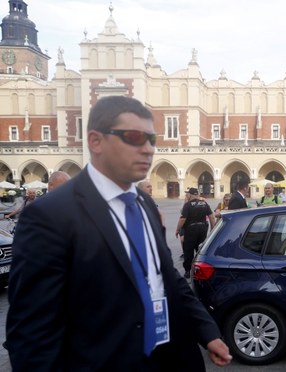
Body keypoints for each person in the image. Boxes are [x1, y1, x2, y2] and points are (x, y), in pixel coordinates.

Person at [5, 95, 231, 370]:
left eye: (152, 139)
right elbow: (31, 332)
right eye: (135, 137)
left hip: (170, 358)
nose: (148, 149)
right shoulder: (48, 216)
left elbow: (165, 275)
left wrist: (206, 331)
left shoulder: (145, 203)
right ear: (96, 141)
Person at [175, 187, 215, 279]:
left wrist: (177, 230)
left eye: (188, 194)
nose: (187, 195)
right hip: (202, 229)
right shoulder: (204, 203)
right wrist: (213, 229)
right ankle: (200, 269)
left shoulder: (188, 205)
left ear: (191, 194)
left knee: (188, 250)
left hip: (191, 229)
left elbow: (182, 219)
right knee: (200, 249)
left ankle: (187, 271)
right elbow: (211, 216)